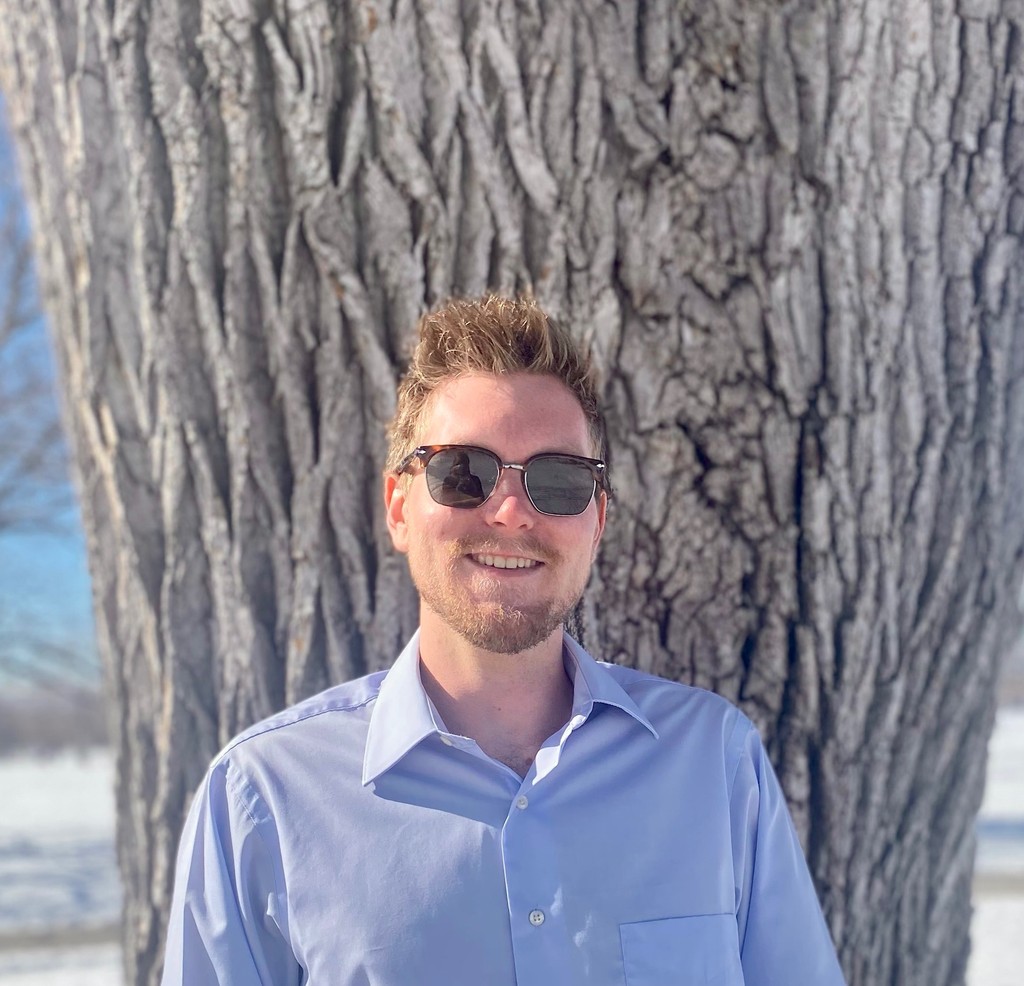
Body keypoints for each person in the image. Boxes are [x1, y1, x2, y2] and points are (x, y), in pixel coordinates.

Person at [161, 295, 846, 985]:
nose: (512, 511)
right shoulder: (264, 797)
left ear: (597, 518)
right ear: (399, 506)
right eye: (464, 473)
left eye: (558, 479)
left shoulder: (714, 764)